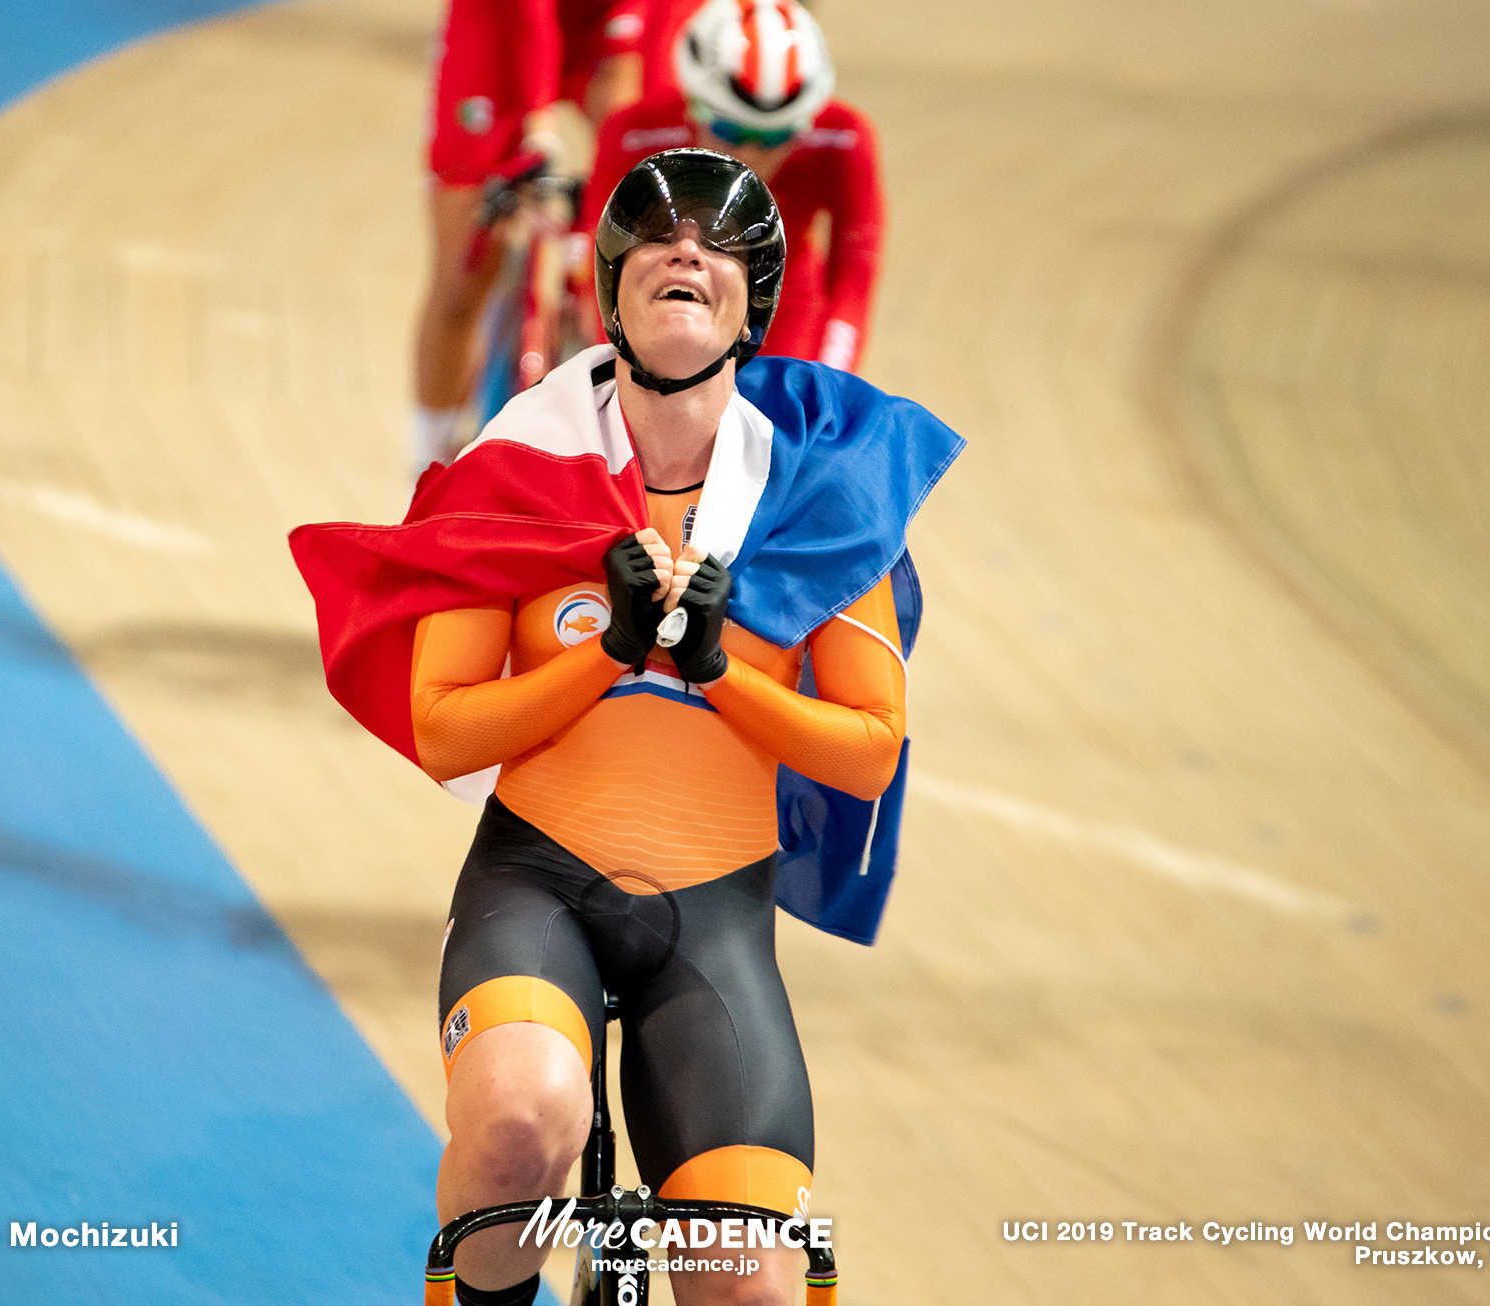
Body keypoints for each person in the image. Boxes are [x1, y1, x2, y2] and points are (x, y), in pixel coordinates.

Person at [292, 150, 960, 1306]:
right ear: (610, 287)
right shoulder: (515, 471)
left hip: (712, 922)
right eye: (654, 236)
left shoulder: (825, 495)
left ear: (754, 296)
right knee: (517, 1131)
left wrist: (714, 671)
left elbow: (867, 746)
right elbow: (446, 730)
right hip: (537, 885)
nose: (684, 248)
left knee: (747, 1277)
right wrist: (608, 656)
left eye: (714, 240)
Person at [412, 0, 653, 476]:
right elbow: (526, 16)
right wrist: (536, 129)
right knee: (461, 276)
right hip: (503, 20)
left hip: (614, 22)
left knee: (646, 182)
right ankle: (425, 465)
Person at [576, 0, 883, 373]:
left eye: (776, 138)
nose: (751, 154)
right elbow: (605, 262)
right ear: (693, 106)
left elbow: (854, 269)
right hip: (668, 299)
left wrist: (833, 378)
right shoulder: (632, 135)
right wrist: (615, 360)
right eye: (729, 131)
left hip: (783, 308)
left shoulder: (844, 138)